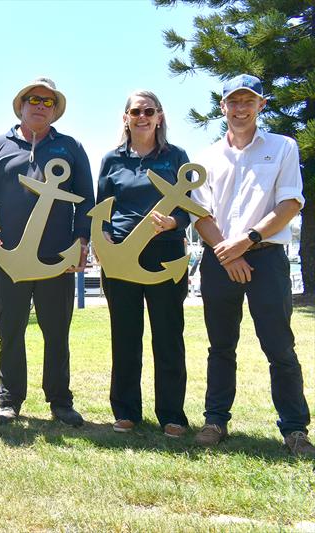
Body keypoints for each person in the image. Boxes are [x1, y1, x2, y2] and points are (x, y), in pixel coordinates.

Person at [190, 74, 313, 456]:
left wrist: (247, 242)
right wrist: (229, 253)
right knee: (220, 346)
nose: (240, 108)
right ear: (222, 106)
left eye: (249, 101)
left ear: (261, 105)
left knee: (279, 347)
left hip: (267, 260)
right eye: (233, 101)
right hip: (219, 261)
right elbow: (199, 213)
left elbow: (290, 203)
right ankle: (215, 420)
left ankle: (294, 430)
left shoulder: (283, 147)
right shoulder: (207, 155)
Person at [0, 77, 94, 426]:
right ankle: (9, 400)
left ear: (54, 110)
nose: (40, 105)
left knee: (56, 332)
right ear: (21, 105)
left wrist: (82, 241)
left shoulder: (70, 148)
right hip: (8, 258)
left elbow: (86, 199)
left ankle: (60, 401)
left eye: (48, 101)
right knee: (10, 330)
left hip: (57, 258)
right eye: (34, 99)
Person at [96, 91, 190, 438]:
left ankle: (172, 415)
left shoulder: (176, 157)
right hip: (120, 258)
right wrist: (102, 241)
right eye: (136, 111)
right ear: (126, 117)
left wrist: (174, 224)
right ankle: (125, 411)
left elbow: (189, 209)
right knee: (125, 337)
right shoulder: (111, 160)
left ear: (160, 117)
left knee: (168, 337)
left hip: (164, 254)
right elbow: (102, 206)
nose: (142, 116)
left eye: (149, 111)